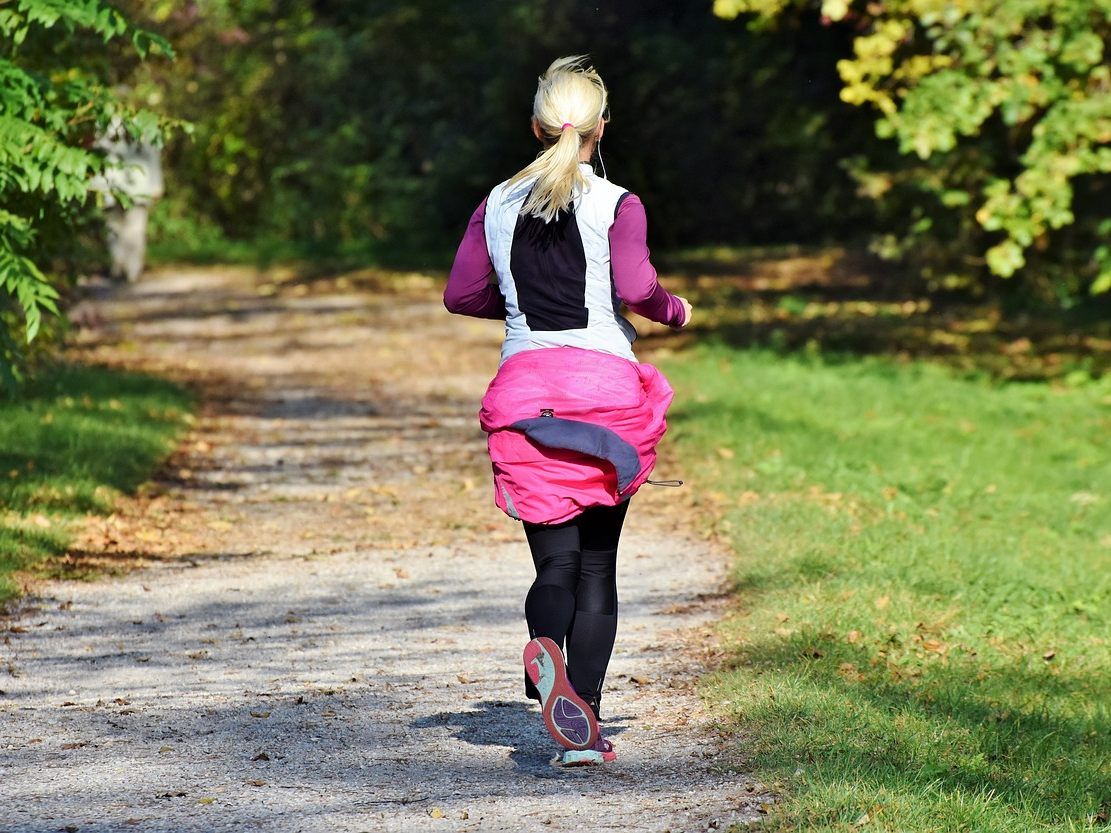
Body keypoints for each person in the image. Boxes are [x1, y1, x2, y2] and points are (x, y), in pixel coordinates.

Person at [443, 55, 692, 767]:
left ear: (535, 125)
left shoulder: (493, 202)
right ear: (601, 127)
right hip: (605, 395)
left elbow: (461, 295)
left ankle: (543, 646)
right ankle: (584, 720)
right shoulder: (617, 203)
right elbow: (638, 285)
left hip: (526, 393)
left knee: (555, 562)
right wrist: (673, 311)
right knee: (597, 569)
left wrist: (517, 306)